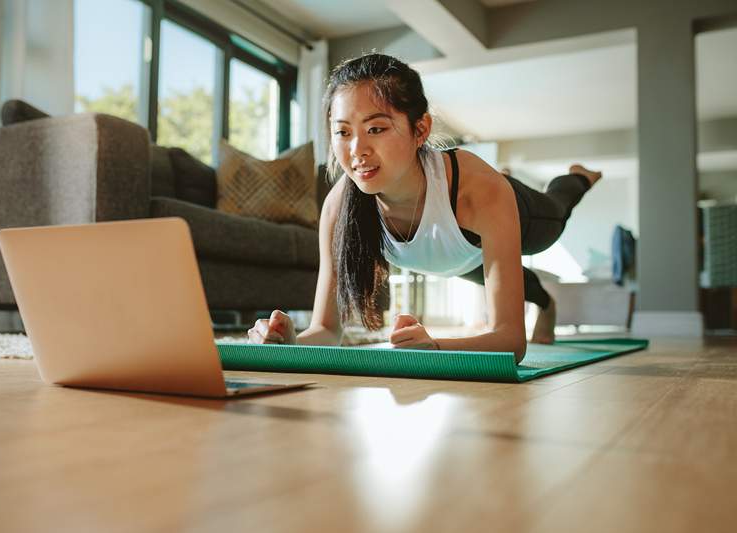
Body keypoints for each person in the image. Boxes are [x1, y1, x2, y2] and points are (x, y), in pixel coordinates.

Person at [247, 53, 601, 363]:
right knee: (509, 280)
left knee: (556, 212)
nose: (357, 150)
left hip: (519, 214)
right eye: (343, 132)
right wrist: (288, 342)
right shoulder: (339, 208)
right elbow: (326, 330)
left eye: (376, 128)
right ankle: (546, 303)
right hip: (456, 254)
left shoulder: (478, 191)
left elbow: (510, 341)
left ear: (421, 129)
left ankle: (578, 177)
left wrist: (435, 346)